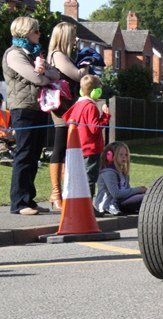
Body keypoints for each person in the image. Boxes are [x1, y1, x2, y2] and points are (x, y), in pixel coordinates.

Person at [3, 16, 60, 215]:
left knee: (35, 154)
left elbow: (57, 73)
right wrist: (44, 75)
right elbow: (36, 77)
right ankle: (18, 203)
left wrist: (45, 72)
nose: (39, 34)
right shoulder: (14, 54)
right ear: (24, 32)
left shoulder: (34, 53)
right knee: (24, 154)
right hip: (23, 109)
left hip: (38, 108)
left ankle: (29, 199)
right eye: (35, 31)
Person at [47, 22, 88, 211]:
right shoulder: (58, 55)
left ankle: (63, 191)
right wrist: (86, 66)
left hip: (68, 105)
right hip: (62, 106)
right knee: (61, 145)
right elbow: (79, 76)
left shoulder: (63, 56)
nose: (75, 40)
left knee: (67, 147)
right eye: (72, 36)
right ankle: (56, 193)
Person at [62, 74, 111, 198]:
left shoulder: (77, 105)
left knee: (79, 178)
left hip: (79, 148)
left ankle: (79, 204)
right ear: (96, 91)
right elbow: (94, 128)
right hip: (91, 149)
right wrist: (105, 116)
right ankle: (88, 207)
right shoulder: (90, 106)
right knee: (90, 178)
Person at [95, 141, 146, 216]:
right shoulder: (109, 173)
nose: (124, 157)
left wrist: (140, 191)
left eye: (126, 154)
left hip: (120, 202)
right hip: (109, 204)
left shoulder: (123, 172)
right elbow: (116, 194)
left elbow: (127, 191)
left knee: (147, 196)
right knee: (144, 198)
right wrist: (137, 190)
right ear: (110, 156)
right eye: (121, 154)